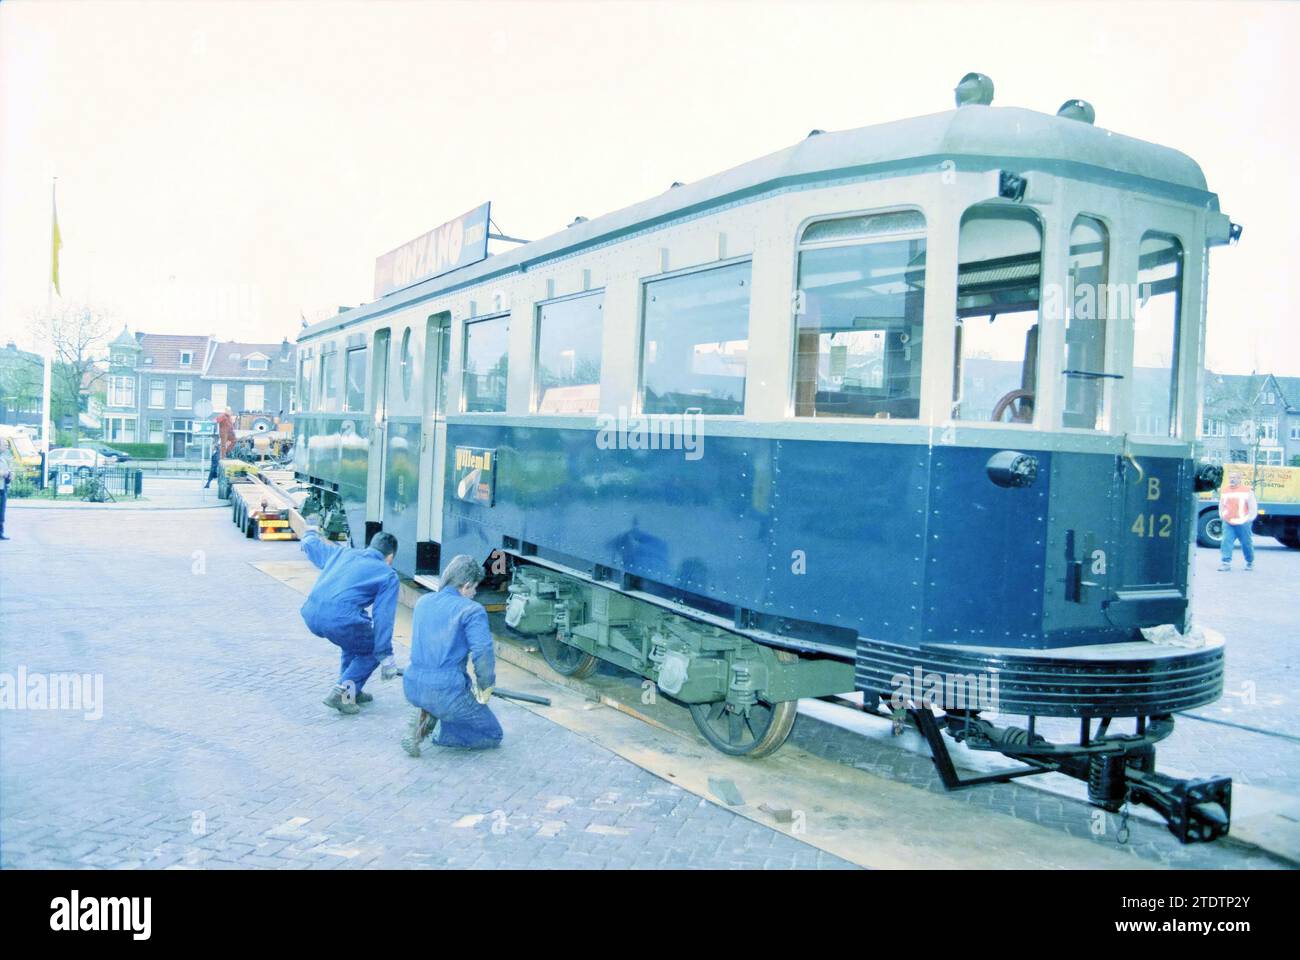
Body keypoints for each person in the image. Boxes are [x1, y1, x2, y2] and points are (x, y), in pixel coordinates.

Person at [400, 554, 502, 756]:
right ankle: (441, 732)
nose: (474, 594)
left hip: (412, 685)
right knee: (493, 734)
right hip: (447, 692)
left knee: (449, 699)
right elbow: (482, 653)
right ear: (466, 585)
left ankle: (427, 712)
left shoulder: (423, 602)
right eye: (474, 588)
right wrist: (485, 686)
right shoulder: (472, 610)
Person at [299, 519, 400, 713]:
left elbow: (312, 546)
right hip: (338, 619)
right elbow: (383, 617)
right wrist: (386, 656)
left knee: (354, 641)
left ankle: (351, 692)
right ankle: (342, 692)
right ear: (390, 557)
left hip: (311, 613)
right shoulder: (388, 574)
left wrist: (310, 531)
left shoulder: (342, 553)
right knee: (371, 649)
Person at [1218, 470, 1258, 572]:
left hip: (1243, 522)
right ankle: (1226, 563)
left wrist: (1249, 519)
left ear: (1240, 479)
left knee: (1246, 543)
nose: (1232, 479)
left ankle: (1250, 562)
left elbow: (1252, 506)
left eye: (1234, 477)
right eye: (1230, 477)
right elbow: (1221, 505)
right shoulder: (1225, 490)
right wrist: (1222, 515)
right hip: (1228, 522)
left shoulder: (1247, 491)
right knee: (1226, 542)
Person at [0, 445, 12, 541]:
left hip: (2, 487)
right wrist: (3, 473)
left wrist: (9, 474)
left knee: (1, 512)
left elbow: (7, 470)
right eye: (4, 444)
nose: (6, 447)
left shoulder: (3, 458)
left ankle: (0, 532)